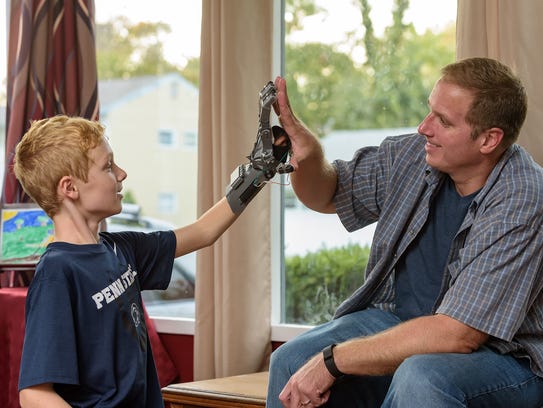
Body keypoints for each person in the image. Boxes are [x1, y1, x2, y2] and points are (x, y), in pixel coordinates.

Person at [267, 57, 543, 408]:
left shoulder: (523, 198)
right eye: (430, 111)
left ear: (489, 140)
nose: (423, 128)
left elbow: (459, 334)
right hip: (398, 320)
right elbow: (328, 194)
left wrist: (333, 361)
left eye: (443, 121)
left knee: (421, 378)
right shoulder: (413, 156)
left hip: (508, 356)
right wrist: (307, 155)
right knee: (291, 360)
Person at [14, 114, 281, 407]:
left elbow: (203, 232)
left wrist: (259, 172)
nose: (121, 173)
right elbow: (34, 394)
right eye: (107, 166)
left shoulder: (123, 248)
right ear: (70, 188)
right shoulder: (57, 272)